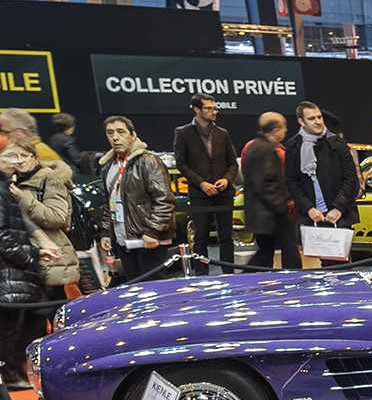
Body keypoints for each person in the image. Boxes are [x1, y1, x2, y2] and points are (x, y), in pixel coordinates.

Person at [2, 138, 87, 296]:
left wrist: (23, 197)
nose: (19, 161)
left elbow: (56, 217)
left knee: (57, 309)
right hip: (28, 256)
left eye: (25, 156)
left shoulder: (50, 179)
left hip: (53, 258)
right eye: (14, 156)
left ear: (35, 157)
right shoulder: (10, 182)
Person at [98, 115, 174, 281]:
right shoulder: (108, 165)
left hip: (148, 240)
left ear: (133, 135)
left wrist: (152, 231)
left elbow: (164, 200)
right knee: (133, 290)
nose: (115, 137)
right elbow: (109, 202)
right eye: (110, 133)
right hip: (123, 241)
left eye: (120, 132)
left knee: (154, 290)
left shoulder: (148, 162)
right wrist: (106, 232)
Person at [173, 94, 240, 275]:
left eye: (214, 108)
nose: (214, 111)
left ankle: (229, 273)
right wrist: (201, 183)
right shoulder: (183, 133)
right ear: (197, 110)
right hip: (199, 193)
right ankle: (201, 275)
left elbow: (233, 163)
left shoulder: (222, 133)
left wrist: (227, 179)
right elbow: (181, 164)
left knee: (226, 237)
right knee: (201, 237)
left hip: (223, 192)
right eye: (209, 108)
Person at [0, 174, 53, 389]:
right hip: (11, 267)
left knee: (35, 313)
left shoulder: (6, 186)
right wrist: (29, 256)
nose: (17, 161)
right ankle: (11, 373)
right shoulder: (4, 189)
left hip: (18, 266)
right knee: (11, 323)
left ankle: (17, 370)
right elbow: (3, 234)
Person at [283, 101, 361, 233]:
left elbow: (351, 178)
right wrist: (308, 208)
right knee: (316, 254)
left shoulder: (337, 143)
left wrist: (338, 207)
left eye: (319, 117)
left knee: (342, 254)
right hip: (312, 216)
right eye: (311, 118)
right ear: (302, 122)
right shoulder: (294, 146)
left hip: (340, 215)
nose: (317, 121)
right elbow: (291, 181)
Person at [241, 112, 301, 272]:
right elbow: (263, 182)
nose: (286, 131)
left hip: (265, 212)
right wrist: (282, 204)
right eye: (283, 127)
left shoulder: (259, 146)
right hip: (271, 212)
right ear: (275, 129)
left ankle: (252, 279)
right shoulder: (264, 149)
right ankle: (295, 280)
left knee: (266, 252)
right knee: (288, 249)